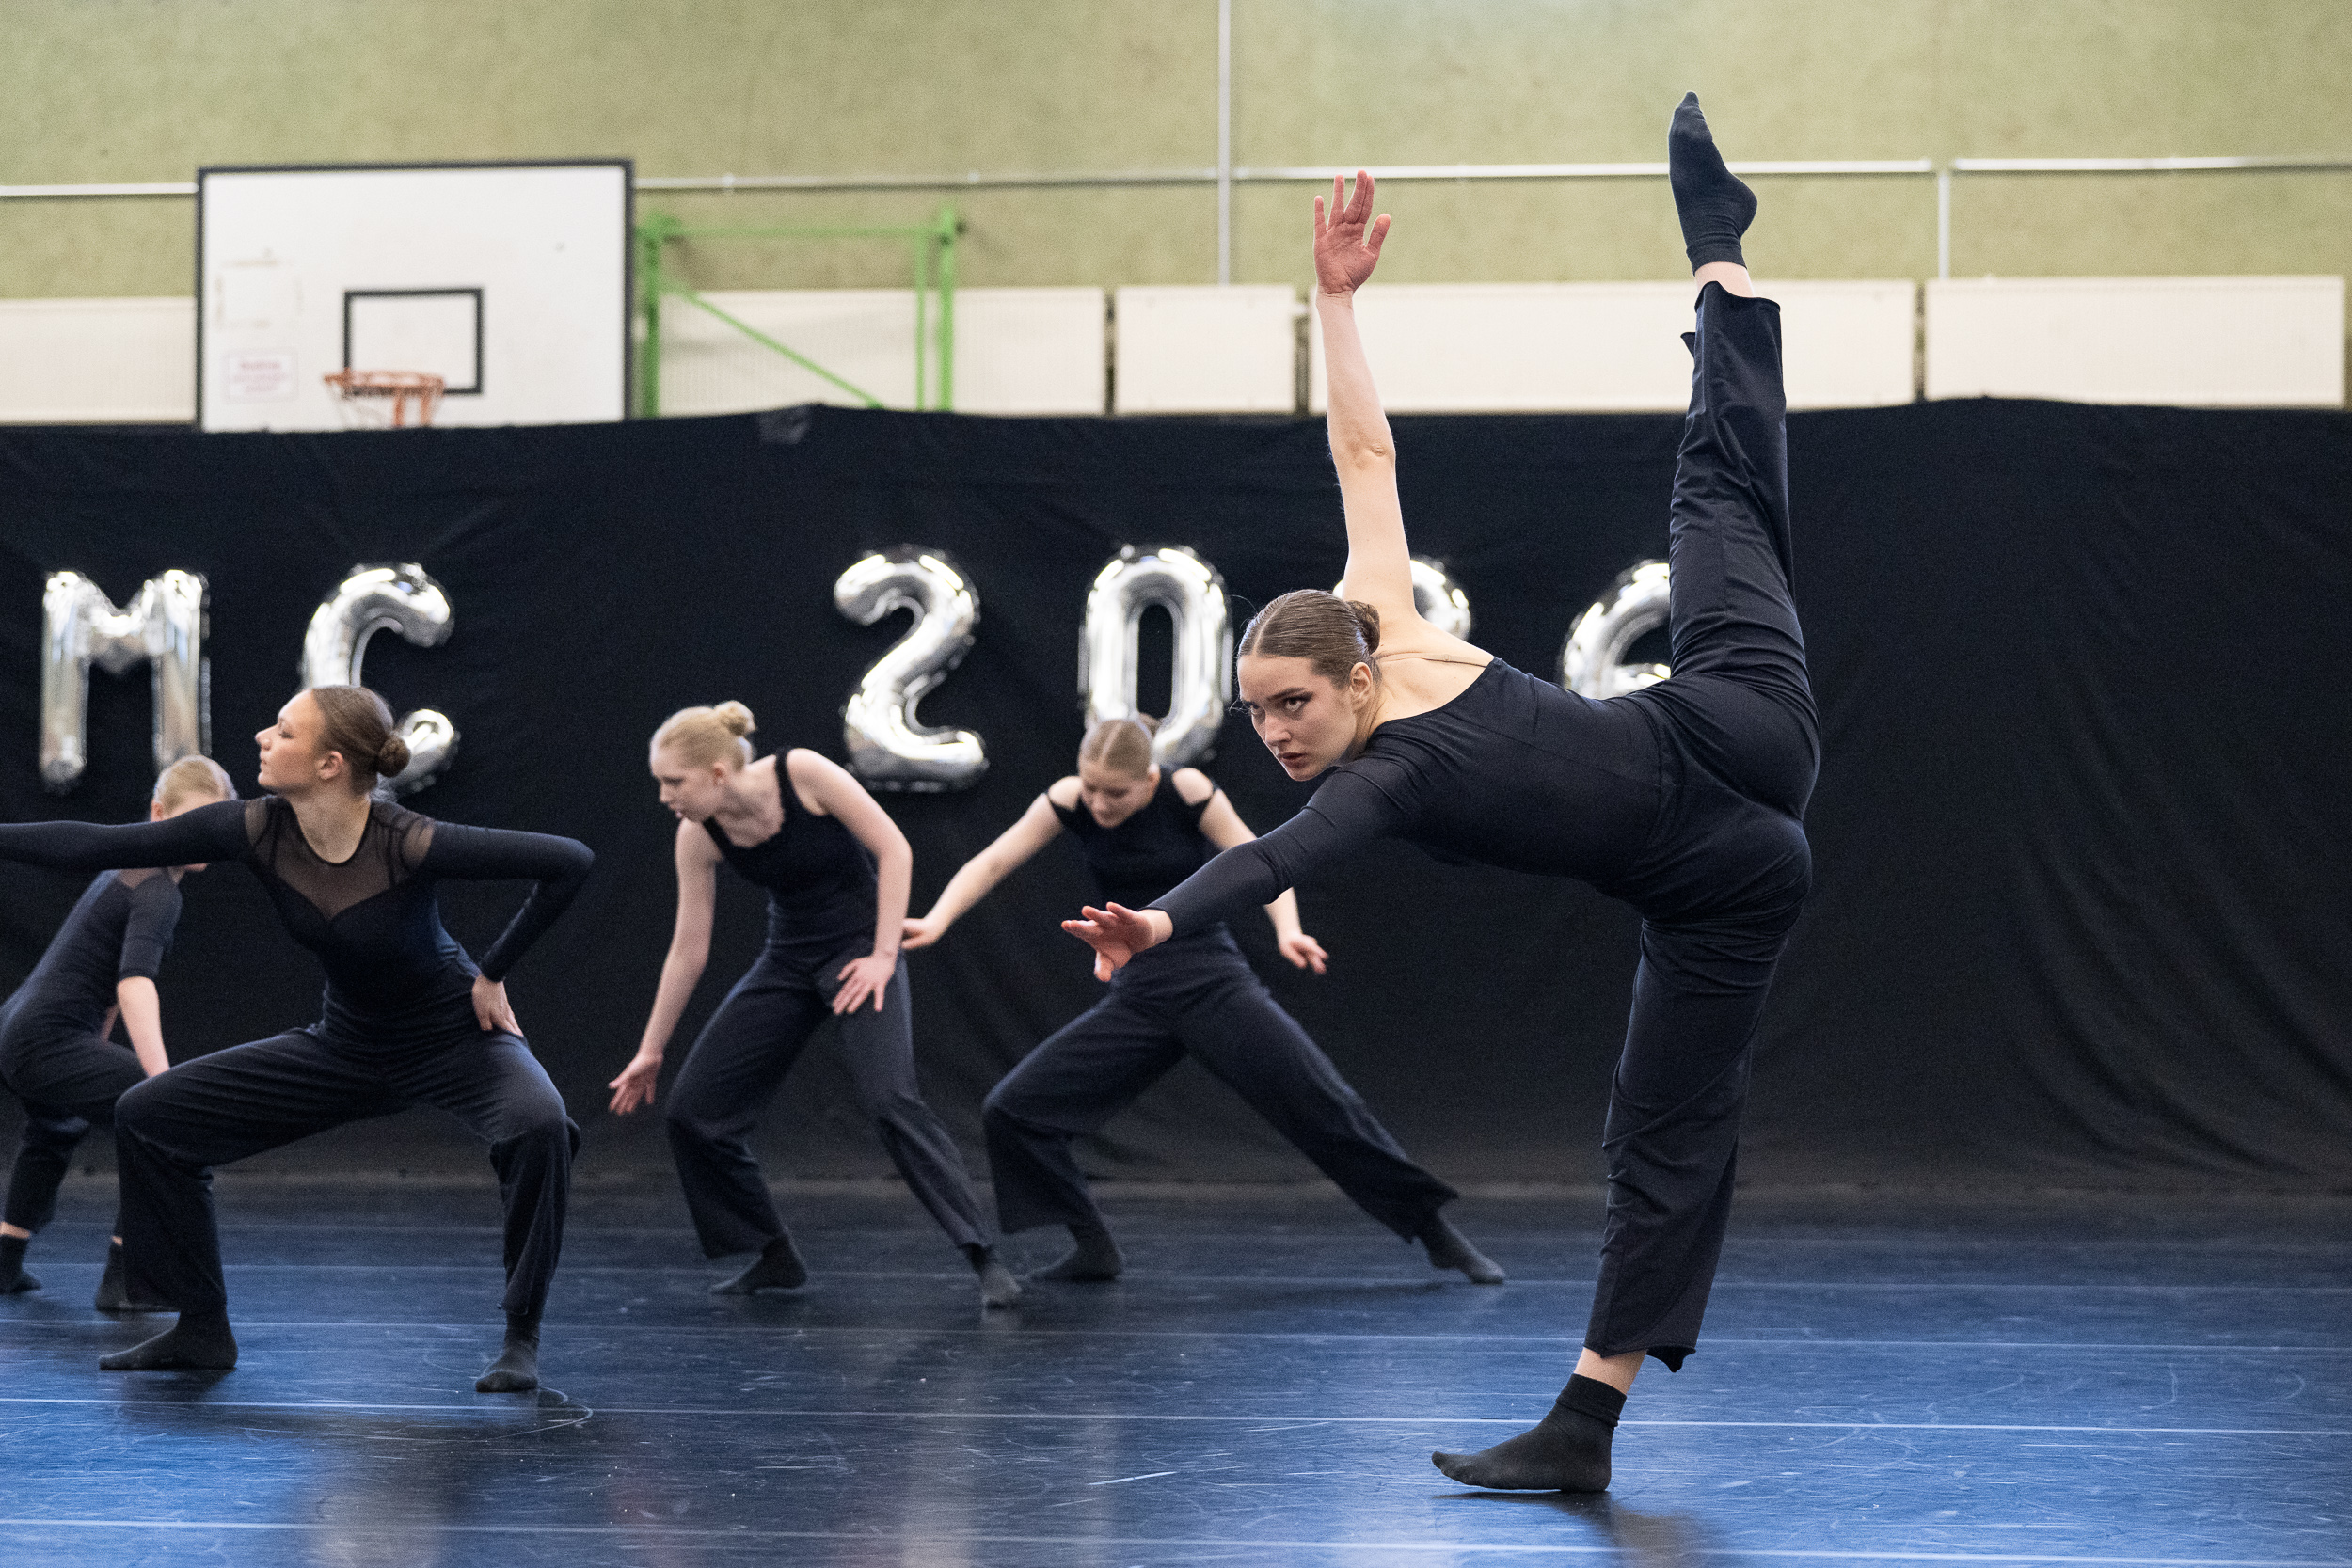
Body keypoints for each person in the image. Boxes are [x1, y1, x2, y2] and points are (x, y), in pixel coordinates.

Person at [1063, 96, 1817, 1492]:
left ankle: (1718, 251)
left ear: (1352, 673)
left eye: (1292, 706)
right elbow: (1272, 851)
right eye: (1254, 714)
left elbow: (1365, 455)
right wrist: (1166, 923)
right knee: (1659, 1133)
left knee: (1717, 493)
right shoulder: (1382, 745)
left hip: (1737, 720)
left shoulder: (1390, 692)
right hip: (1720, 888)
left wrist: (1333, 302)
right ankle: (1583, 1428)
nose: (1274, 735)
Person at [0, 687, 593, 1390]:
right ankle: (201, 1326)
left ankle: (521, 1334)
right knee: (149, 1113)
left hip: (453, 1039)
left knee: (540, 1125)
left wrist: (493, 970)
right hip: (346, 1045)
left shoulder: (408, 841)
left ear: (329, 764)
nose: (262, 737)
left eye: (283, 731)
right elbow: (101, 844)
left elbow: (569, 861)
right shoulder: (255, 829)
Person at [904, 716, 1502, 1286]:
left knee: (1324, 1105)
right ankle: (1091, 1244)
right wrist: (937, 919)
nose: (1100, 804)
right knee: (1013, 1110)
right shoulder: (1068, 799)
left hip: (1211, 981)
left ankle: (1436, 1233)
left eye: (1116, 793)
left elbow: (1262, 860)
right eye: (1091, 789)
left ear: (1149, 779)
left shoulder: (1186, 790)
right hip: (1140, 994)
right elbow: (994, 861)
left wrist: (1288, 930)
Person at [606, 703, 1018, 1308]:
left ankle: (983, 1254)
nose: (665, 796)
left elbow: (894, 850)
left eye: (675, 782)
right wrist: (651, 1050)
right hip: (790, 959)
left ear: (717, 773)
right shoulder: (696, 836)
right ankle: (771, 1253)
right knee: (694, 1112)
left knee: (890, 1099)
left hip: (859, 949)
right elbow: (688, 949)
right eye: (660, 783)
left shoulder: (801, 773)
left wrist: (883, 955)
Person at [0, 755, 234, 1310]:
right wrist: (161, 1083)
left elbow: (100, 984)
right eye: (193, 821)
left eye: (216, 823)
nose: (205, 836)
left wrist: (97, 1045)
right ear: (159, 815)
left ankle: (4, 1259)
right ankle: (128, 1278)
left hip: (19, 1029)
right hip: (44, 1039)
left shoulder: (127, 871)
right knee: (168, 1126)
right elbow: (132, 986)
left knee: (55, 1127)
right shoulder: (157, 889)